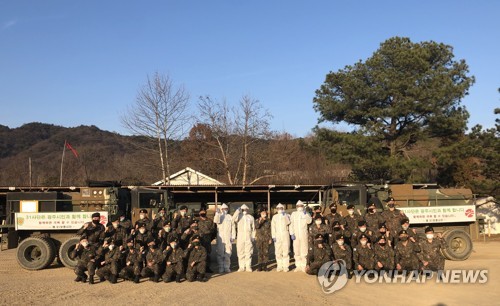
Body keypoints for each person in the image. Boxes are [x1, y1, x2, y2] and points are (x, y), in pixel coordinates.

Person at [289, 200, 312, 272]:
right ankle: (298, 265)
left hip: (303, 235)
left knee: (304, 250)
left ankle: (303, 265)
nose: (299, 207)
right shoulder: (293, 214)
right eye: (298, 206)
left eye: (301, 206)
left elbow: (309, 221)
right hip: (296, 235)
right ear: (296, 207)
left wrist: (306, 215)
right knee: (297, 250)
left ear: (303, 206)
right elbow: (291, 224)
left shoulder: (306, 213)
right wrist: (292, 233)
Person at [214, 203, 236, 273]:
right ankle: (221, 267)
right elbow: (215, 221)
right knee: (220, 252)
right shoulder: (219, 216)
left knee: (228, 251)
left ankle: (227, 267)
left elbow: (233, 227)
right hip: (220, 237)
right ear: (221, 209)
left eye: (226, 209)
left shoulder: (230, 217)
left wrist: (233, 236)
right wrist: (217, 213)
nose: (225, 210)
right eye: (223, 209)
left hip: (228, 237)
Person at [233, 204, 256, 272]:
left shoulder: (251, 217)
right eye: (243, 210)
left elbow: (253, 228)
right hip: (240, 236)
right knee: (240, 251)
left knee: (248, 252)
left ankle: (248, 266)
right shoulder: (238, 216)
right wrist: (237, 211)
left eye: (245, 209)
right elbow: (233, 219)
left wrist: (253, 236)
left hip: (248, 236)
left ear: (247, 210)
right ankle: (241, 267)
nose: (244, 211)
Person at [271, 203, 291, 272]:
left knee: (285, 251)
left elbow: (288, 222)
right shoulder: (274, 217)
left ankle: (286, 266)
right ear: (277, 209)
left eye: (281, 208)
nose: (279, 210)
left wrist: (284, 216)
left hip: (285, 234)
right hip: (277, 235)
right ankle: (279, 266)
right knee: (278, 251)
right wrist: (273, 236)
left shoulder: (287, 215)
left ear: (283, 209)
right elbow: (273, 227)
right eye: (278, 209)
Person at [197, 207, 216, 273]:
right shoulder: (196, 221)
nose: (203, 213)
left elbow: (213, 230)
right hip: (199, 240)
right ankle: (199, 268)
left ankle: (207, 267)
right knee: (199, 254)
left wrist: (210, 236)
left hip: (207, 240)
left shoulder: (210, 221)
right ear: (199, 213)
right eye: (201, 212)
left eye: (204, 212)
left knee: (207, 254)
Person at [255, 207, 272, 271]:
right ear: (260, 214)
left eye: (264, 213)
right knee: (260, 252)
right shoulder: (257, 220)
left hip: (266, 239)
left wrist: (270, 238)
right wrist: (261, 220)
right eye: (262, 213)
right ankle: (259, 266)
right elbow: (257, 226)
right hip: (259, 239)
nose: (264, 214)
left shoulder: (268, 220)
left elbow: (270, 230)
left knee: (266, 252)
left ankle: (265, 266)